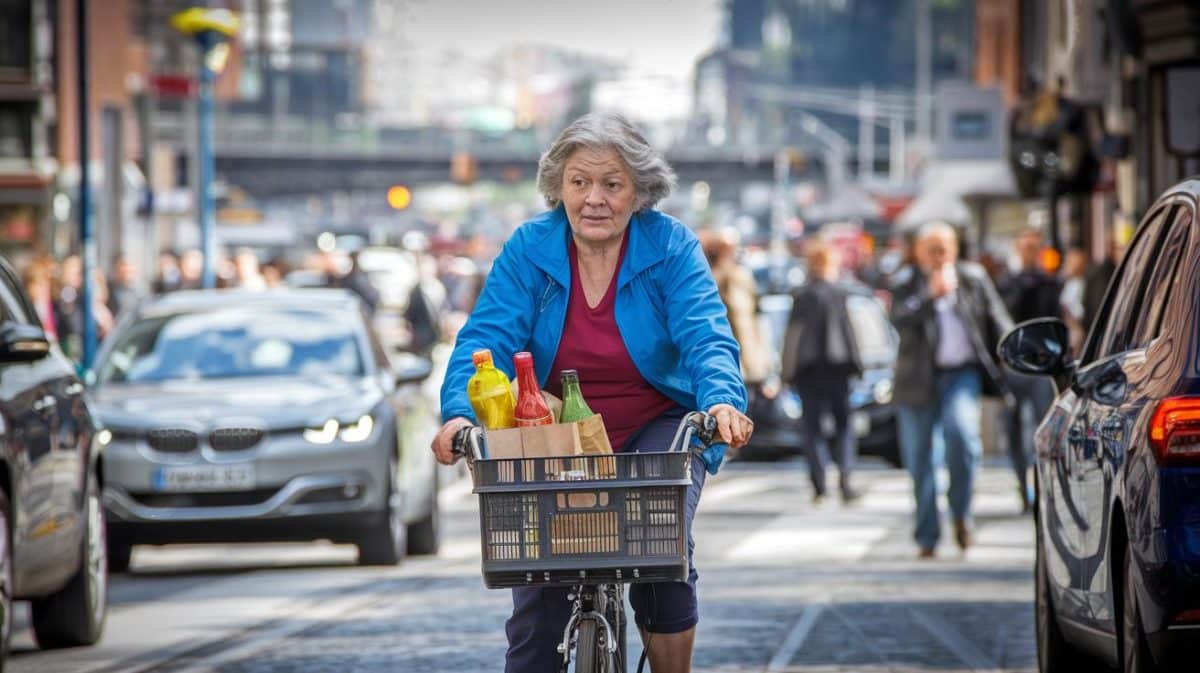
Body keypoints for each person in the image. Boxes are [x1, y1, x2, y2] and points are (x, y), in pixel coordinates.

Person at [431, 112, 753, 673]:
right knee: (540, 577)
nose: (594, 198)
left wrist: (722, 402)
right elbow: (486, 339)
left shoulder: (671, 245)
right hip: (555, 429)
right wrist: (460, 415)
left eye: (612, 183)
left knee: (661, 555)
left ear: (639, 192)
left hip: (657, 421)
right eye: (580, 182)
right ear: (559, 187)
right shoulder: (530, 247)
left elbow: (706, 335)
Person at [889, 221, 1013, 558]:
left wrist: (1014, 350)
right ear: (919, 253)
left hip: (961, 375)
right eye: (931, 249)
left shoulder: (972, 278)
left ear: (955, 250)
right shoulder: (906, 282)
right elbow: (898, 318)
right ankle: (927, 535)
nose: (938, 255)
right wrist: (930, 295)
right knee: (920, 460)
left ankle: (961, 513)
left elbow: (998, 319)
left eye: (944, 248)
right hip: (916, 381)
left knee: (963, 439)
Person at [780, 239, 863, 504]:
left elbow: (793, 336)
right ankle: (845, 479)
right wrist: (857, 364)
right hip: (838, 367)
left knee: (812, 428)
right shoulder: (840, 292)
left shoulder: (802, 294)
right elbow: (849, 331)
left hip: (808, 369)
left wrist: (787, 371)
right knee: (844, 425)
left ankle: (820, 484)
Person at [999, 227, 1061, 513]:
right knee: (1012, 429)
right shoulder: (1007, 282)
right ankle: (1020, 484)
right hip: (1012, 363)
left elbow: (1055, 318)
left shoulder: (1049, 282)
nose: (1029, 252)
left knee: (1042, 426)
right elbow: (1003, 316)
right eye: (1025, 247)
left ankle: (1042, 484)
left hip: (1041, 364)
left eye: (1034, 247)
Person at [701, 227, 770, 409]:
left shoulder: (732, 276)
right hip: (732, 361)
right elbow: (743, 322)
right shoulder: (722, 277)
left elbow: (750, 322)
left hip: (738, 361)